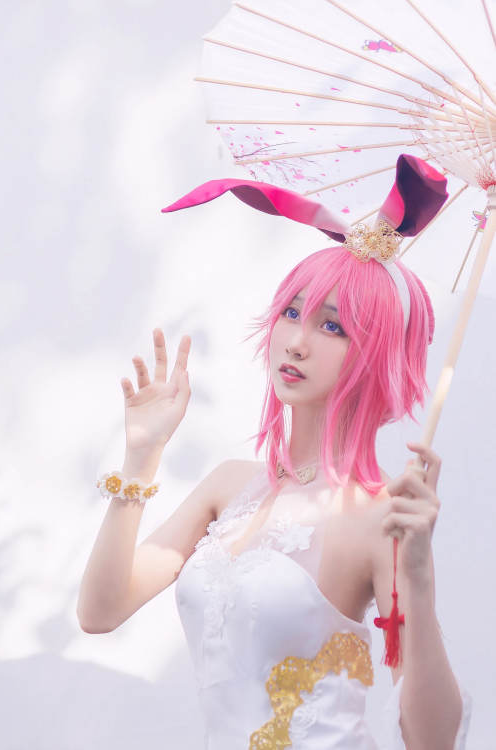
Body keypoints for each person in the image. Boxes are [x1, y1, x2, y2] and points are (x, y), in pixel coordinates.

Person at [77, 156, 472, 749]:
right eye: (292, 312)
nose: (296, 341)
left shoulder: (383, 517)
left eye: (332, 326)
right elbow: (100, 612)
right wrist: (142, 458)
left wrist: (417, 576)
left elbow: (433, 741)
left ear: (376, 354)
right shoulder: (227, 486)